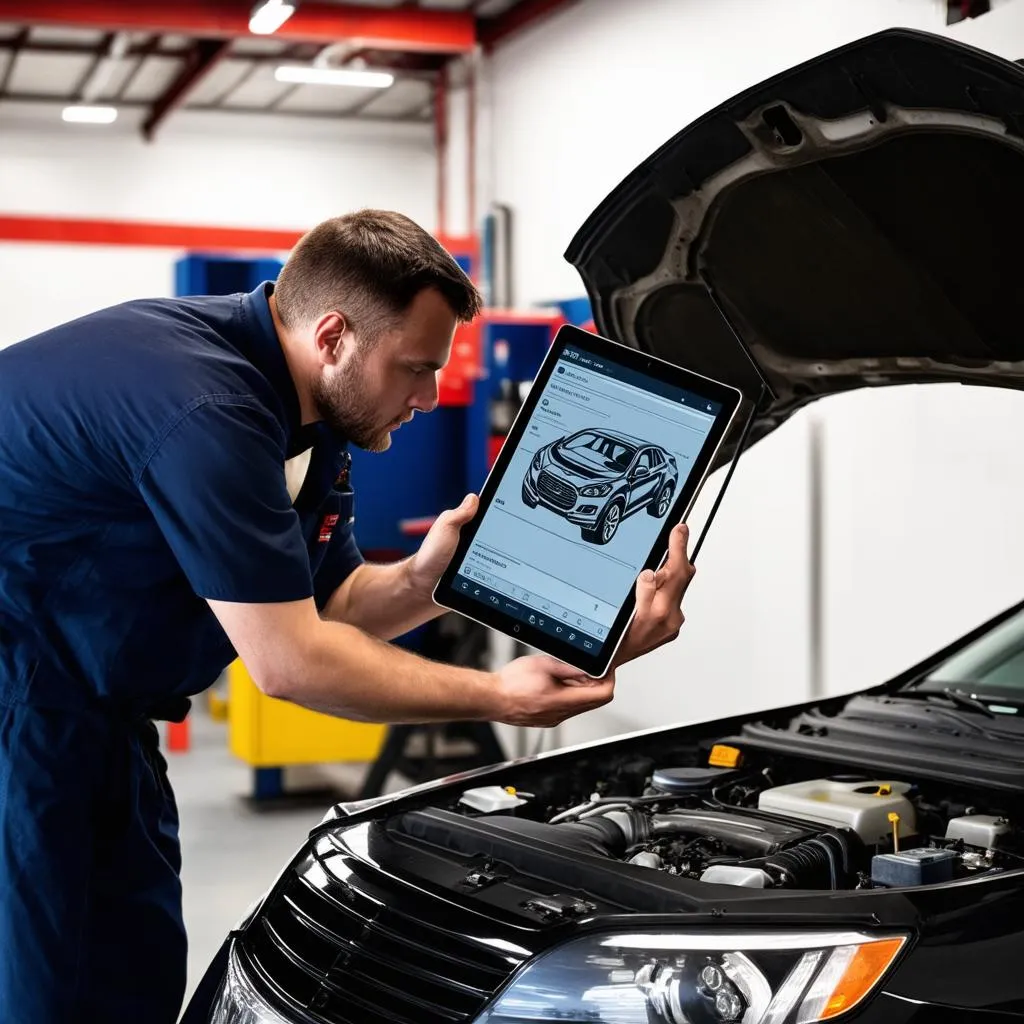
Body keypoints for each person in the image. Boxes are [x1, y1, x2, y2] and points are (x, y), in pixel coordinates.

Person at [0, 209, 696, 1023]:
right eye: (415, 368)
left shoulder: (308, 408)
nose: (431, 397)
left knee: (127, 977)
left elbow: (331, 603)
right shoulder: (209, 408)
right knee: (55, 995)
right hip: (25, 716)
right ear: (333, 335)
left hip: (93, 719)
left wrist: (424, 578)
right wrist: (498, 695)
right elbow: (290, 663)